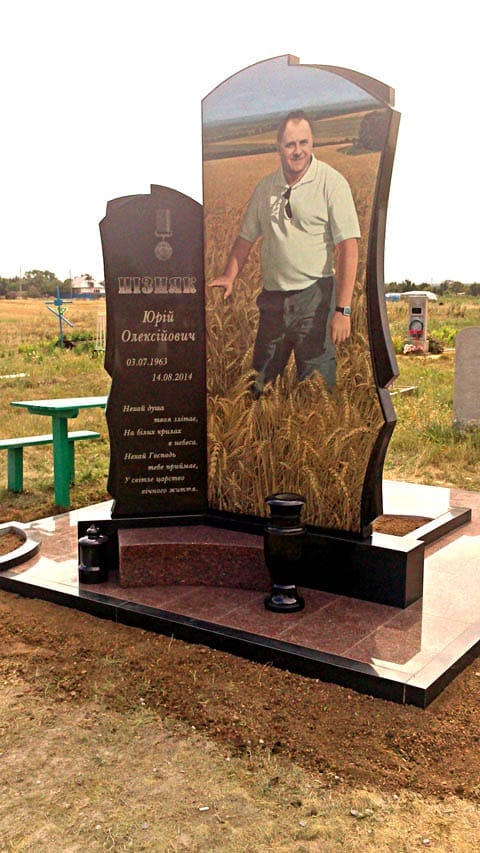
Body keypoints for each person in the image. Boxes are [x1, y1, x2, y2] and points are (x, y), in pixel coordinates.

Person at [210, 110, 360, 396]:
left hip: (315, 297)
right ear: (278, 146)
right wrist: (229, 275)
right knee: (259, 384)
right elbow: (245, 237)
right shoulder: (266, 188)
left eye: (304, 143)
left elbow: (348, 248)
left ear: (312, 143)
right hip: (273, 301)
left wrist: (343, 310)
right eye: (290, 144)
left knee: (316, 388)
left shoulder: (332, 183)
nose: (298, 151)